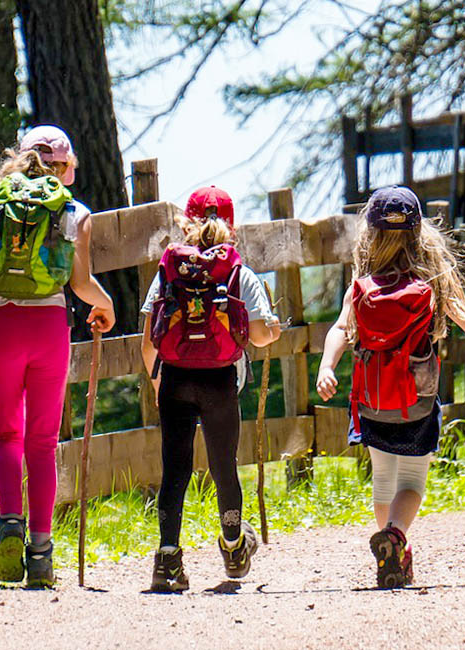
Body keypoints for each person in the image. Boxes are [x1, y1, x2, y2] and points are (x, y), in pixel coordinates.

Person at [315, 186, 465, 589]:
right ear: (419, 231)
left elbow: (340, 328)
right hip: (417, 401)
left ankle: (393, 553)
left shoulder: (363, 282)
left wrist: (326, 366)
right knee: (412, 484)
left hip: (371, 401)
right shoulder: (431, 278)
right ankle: (395, 537)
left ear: (369, 233)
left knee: (383, 479)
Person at [0, 125, 115, 587]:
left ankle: (9, 528)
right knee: (42, 444)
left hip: (2, 326)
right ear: (64, 166)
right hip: (48, 328)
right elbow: (79, 284)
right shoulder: (74, 213)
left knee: (7, 437)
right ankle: (40, 553)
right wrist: (106, 305)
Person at [141, 186, 281, 592]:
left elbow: (149, 338)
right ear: (231, 226)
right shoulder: (239, 273)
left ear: (186, 223)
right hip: (220, 380)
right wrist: (272, 330)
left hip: (175, 378)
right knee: (224, 467)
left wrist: (156, 382)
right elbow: (257, 334)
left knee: (175, 470)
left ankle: (167, 560)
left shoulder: (169, 272)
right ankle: (234, 547)